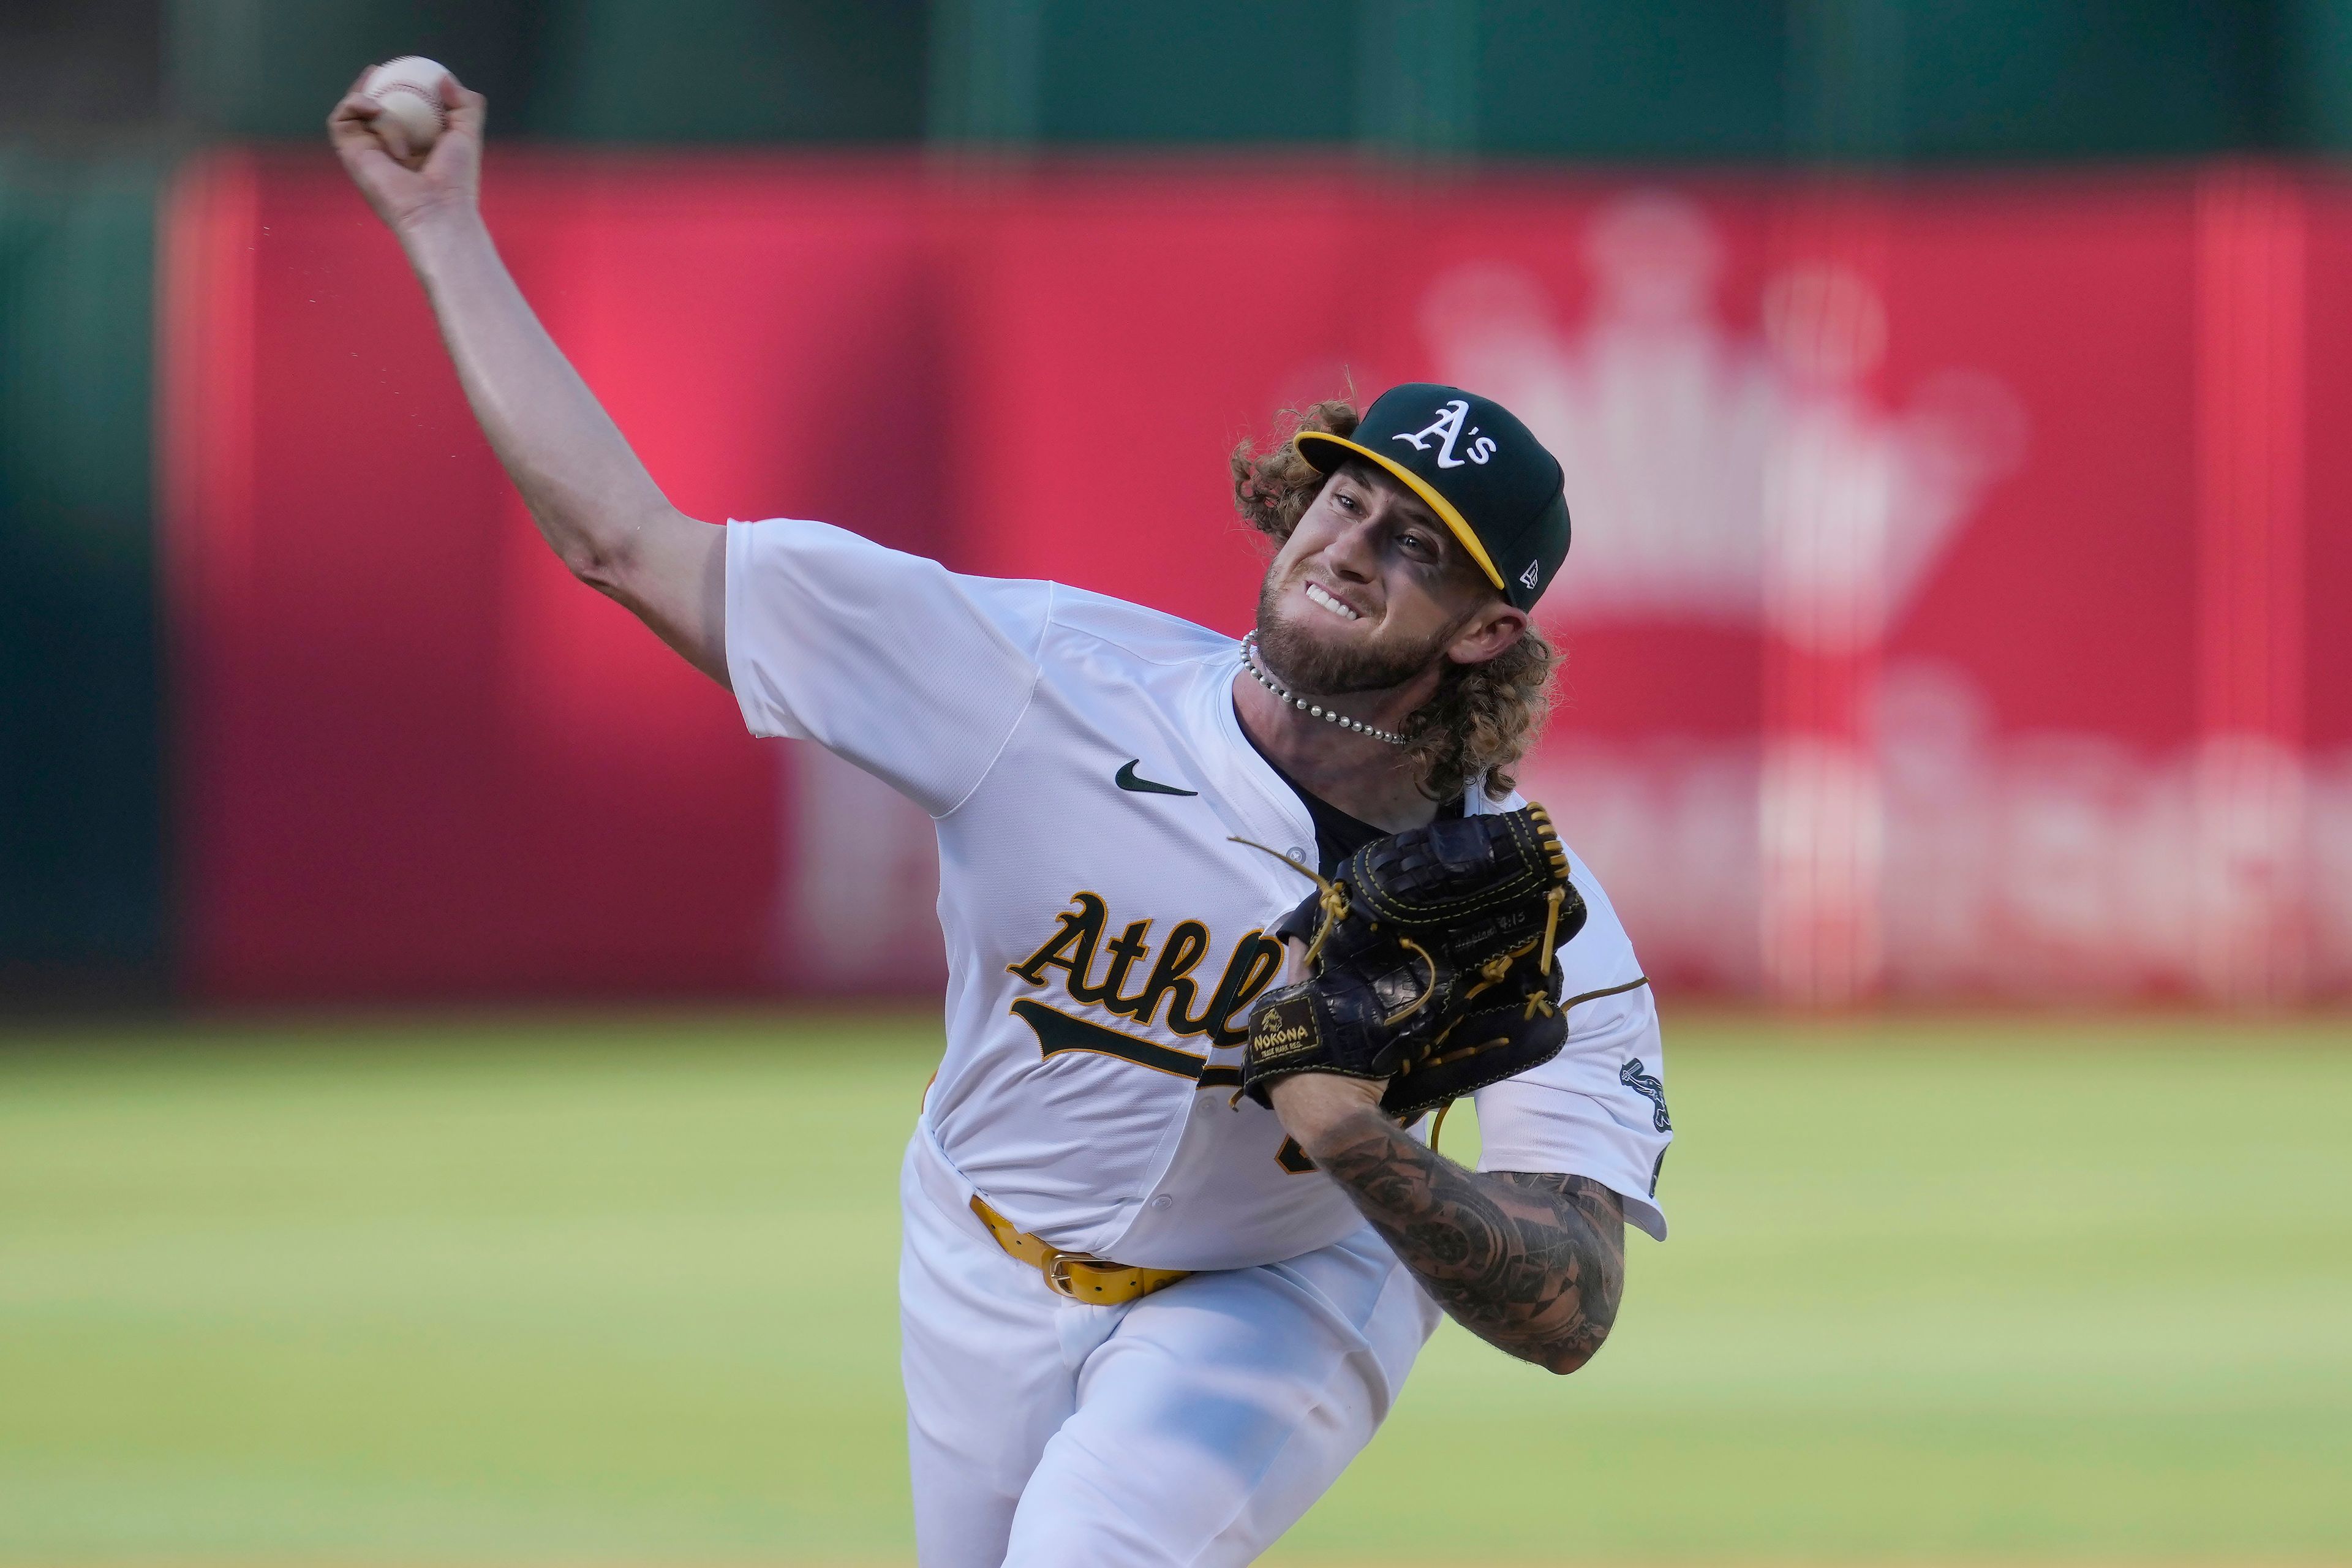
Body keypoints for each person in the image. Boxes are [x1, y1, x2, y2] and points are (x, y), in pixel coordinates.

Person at [331, 69, 1672, 1568]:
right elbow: (625, 543)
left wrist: (1360, 1138)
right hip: (976, 1249)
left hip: (1282, 1291)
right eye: (1348, 499)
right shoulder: (1037, 681)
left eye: (1420, 549)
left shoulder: (1533, 914)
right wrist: (444, 226)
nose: (1352, 546)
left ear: (1487, 632)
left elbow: (1576, 1306)